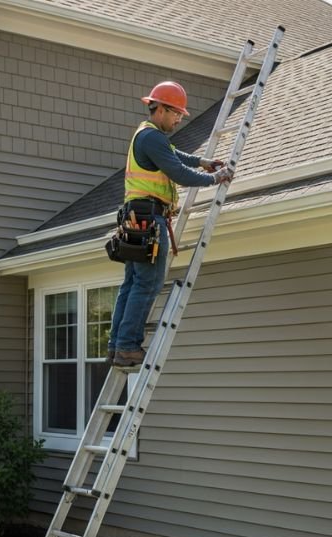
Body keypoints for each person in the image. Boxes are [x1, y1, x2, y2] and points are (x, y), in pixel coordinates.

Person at [108, 81, 233, 369]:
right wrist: (215, 178)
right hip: (148, 219)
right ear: (161, 108)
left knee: (131, 284)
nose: (179, 119)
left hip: (135, 218)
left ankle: (118, 346)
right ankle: (128, 347)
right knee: (146, 284)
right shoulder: (152, 138)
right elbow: (177, 172)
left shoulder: (148, 136)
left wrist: (202, 162)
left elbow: (174, 155)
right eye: (176, 113)